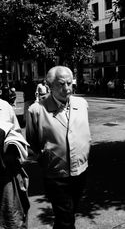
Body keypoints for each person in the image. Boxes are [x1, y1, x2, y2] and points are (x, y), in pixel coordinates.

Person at [26, 66, 91, 229]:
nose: (67, 88)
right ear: (49, 86)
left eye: (69, 83)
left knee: (68, 213)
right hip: (55, 174)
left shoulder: (82, 104)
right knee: (66, 219)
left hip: (80, 170)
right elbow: (31, 143)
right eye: (61, 84)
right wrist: (45, 158)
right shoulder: (36, 110)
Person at [0, 75, 30, 229]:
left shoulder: (4, 107)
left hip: (5, 176)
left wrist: (11, 145)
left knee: (11, 220)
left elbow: (17, 133)